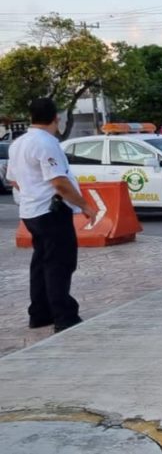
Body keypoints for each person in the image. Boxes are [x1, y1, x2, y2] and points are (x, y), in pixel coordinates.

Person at [6, 98, 98, 332]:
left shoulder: (18, 143)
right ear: (56, 118)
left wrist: (31, 193)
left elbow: (13, 179)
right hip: (51, 211)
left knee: (41, 263)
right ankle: (63, 315)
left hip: (30, 212)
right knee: (59, 264)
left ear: (31, 117)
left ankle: (39, 313)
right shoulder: (46, 143)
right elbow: (59, 182)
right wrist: (85, 206)